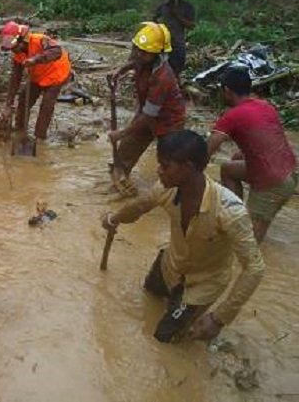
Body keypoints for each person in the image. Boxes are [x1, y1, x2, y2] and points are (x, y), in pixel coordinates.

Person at [101, 130, 265, 343]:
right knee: (149, 294)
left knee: (165, 339)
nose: (158, 171)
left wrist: (219, 318)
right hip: (170, 265)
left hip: (202, 284)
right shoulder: (165, 188)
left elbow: (254, 268)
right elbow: (139, 207)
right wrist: (114, 219)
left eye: (165, 166)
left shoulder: (230, 212)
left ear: (188, 168)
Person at [208, 66, 297, 242]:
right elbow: (269, 140)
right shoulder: (265, 106)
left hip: (271, 184)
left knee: (247, 243)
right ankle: (236, 213)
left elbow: (210, 147)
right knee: (228, 168)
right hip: (290, 174)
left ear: (226, 90)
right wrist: (242, 155)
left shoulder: (232, 116)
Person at [109, 22, 186, 196]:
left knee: (169, 162)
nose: (139, 54)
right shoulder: (144, 58)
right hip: (147, 113)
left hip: (168, 121)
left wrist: (121, 133)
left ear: (157, 53)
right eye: (138, 49)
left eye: (144, 52)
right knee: (125, 152)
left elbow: (149, 115)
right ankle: (119, 181)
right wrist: (120, 70)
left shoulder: (162, 77)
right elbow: (135, 62)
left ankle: (170, 194)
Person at [0, 22, 72, 140]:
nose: (14, 51)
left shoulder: (40, 40)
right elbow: (15, 79)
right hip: (38, 76)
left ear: (21, 41)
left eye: (14, 48)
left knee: (46, 106)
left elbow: (57, 51)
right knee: (24, 100)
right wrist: (8, 104)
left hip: (56, 74)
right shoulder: (17, 54)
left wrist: (35, 59)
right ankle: (20, 129)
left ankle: (40, 136)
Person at [154, 0, 196, 77]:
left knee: (177, 67)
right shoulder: (163, 6)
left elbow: (191, 26)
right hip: (163, 43)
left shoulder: (188, 7)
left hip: (178, 43)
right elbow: (153, 19)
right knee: (161, 69)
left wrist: (177, 16)